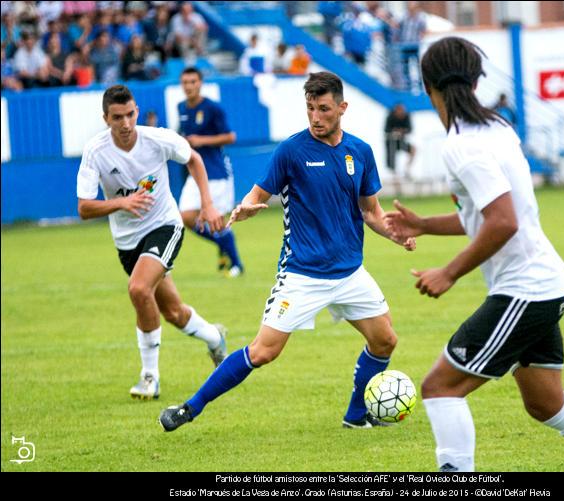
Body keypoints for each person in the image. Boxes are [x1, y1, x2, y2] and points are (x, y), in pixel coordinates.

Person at [384, 37, 564, 473]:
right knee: (545, 402)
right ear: (477, 80)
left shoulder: (462, 144)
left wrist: (450, 272)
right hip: (545, 285)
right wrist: (425, 225)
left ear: (427, 87)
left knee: (440, 387)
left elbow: (502, 221)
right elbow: (487, 215)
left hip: (526, 289)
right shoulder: (496, 128)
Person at [159, 71, 416, 432]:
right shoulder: (291, 151)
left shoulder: (360, 151)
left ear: (342, 108)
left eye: (324, 109)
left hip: (349, 273)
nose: (315, 117)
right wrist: (246, 207)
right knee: (264, 351)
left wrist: (396, 234)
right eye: (310, 108)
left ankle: (356, 416)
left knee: (385, 339)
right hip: (302, 274)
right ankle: (190, 408)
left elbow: (371, 211)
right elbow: (257, 193)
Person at [76, 85, 229, 400]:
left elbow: (194, 160)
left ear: (136, 111)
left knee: (138, 289)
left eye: (130, 114)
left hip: (164, 226)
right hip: (127, 242)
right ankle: (215, 338)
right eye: (117, 117)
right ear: (106, 118)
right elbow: (84, 208)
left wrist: (207, 204)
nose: (126, 123)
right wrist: (122, 203)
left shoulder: (158, 138)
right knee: (172, 312)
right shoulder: (95, 151)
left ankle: (150, 378)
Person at [178, 67, 244, 277]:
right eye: (185, 82)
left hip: (216, 171)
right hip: (195, 172)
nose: (189, 86)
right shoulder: (181, 108)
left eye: (193, 82)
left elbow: (230, 137)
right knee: (186, 216)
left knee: (217, 221)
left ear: (200, 83)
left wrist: (201, 140)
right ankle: (223, 245)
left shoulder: (213, 108)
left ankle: (236, 264)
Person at [384, 102, 416, 177]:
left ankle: (407, 169)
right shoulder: (390, 117)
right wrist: (394, 131)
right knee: (391, 154)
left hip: (401, 141)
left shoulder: (406, 116)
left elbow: (410, 129)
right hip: (391, 141)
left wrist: (401, 131)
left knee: (413, 149)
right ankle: (393, 173)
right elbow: (386, 130)